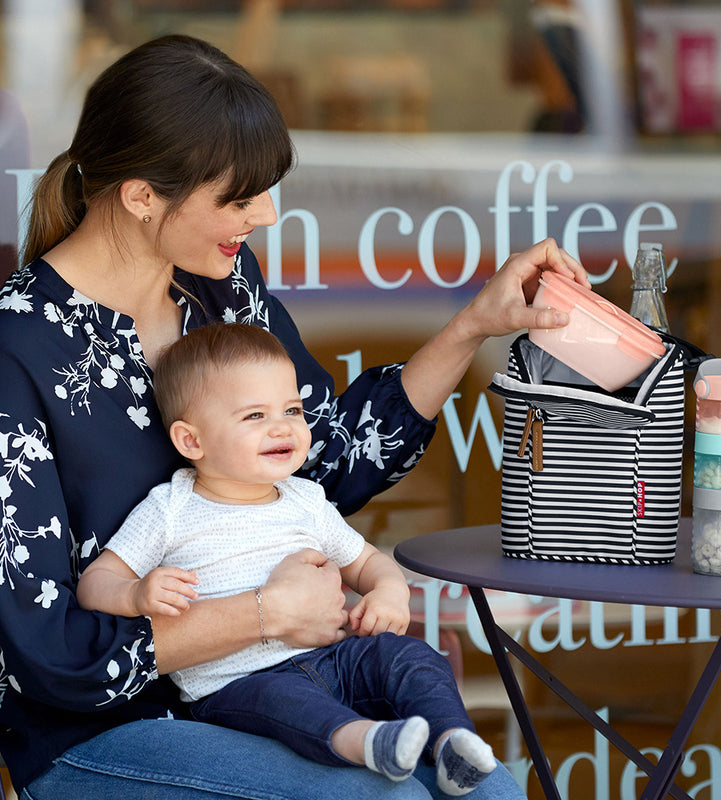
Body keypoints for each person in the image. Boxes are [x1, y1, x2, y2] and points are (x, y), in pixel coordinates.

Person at [0, 33, 588, 800]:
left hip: (277, 683)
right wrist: (265, 614)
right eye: (239, 198)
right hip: (100, 733)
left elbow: (327, 463)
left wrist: (474, 324)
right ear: (141, 196)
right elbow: (49, 654)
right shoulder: (16, 348)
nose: (267, 215)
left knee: (486, 789)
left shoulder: (220, 287)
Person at [77, 322, 498, 795]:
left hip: (332, 656)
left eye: (292, 409)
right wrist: (136, 593)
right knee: (291, 704)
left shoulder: (305, 500)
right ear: (192, 441)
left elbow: (365, 561)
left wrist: (389, 590)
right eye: (255, 415)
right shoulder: (169, 509)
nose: (282, 426)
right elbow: (96, 583)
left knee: (412, 657)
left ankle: (451, 742)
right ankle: (368, 743)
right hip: (238, 684)